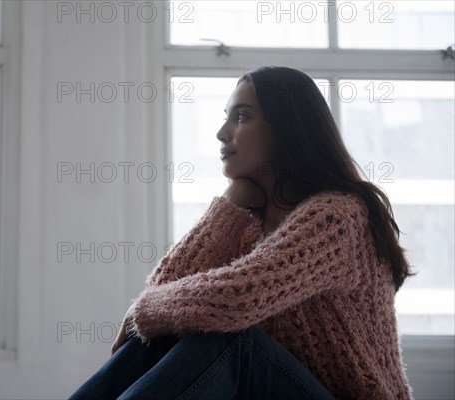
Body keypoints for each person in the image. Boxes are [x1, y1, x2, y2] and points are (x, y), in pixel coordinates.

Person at [68, 66, 414, 400]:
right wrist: (229, 206)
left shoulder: (337, 216)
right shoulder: (248, 225)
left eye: (242, 116)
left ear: (286, 129)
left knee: (231, 339)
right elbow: (166, 291)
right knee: (168, 330)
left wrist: (140, 311)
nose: (222, 133)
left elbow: (235, 299)